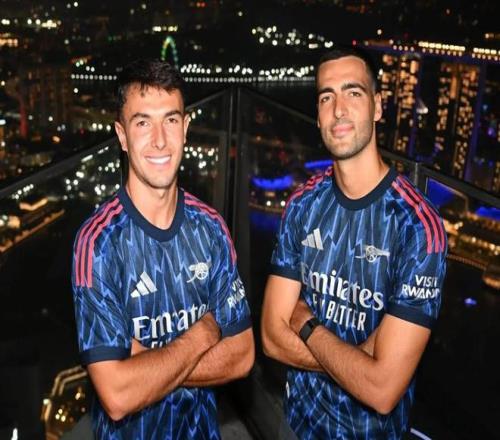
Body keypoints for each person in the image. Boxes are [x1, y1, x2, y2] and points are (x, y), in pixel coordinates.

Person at [261, 46, 447, 439]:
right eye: (326, 97)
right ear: (317, 115)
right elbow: (271, 339)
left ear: (378, 106)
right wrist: (358, 361)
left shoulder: (416, 226)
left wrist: (306, 324)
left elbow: (382, 389)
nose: (339, 109)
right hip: (294, 424)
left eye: (353, 93)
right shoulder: (302, 205)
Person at [71, 59, 254, 439]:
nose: (159, 140)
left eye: (170, 120)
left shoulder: (211, 229)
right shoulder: (98, 243)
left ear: (185, 128)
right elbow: (118, 395)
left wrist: (146, 363)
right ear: (122, 136)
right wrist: (202, 335)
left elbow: (242, 356)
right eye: (142, 123)